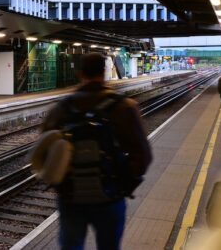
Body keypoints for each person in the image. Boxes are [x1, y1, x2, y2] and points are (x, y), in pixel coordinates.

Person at [41, 52, 152, 250]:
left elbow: (43, 152)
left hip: (71, 198)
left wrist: (59, 183)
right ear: (105, 71)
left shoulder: (61, 108)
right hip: (110, 197)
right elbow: (143, 155)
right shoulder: (124, 107)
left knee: (71, 246)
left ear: (80, 73)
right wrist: (123, 182)